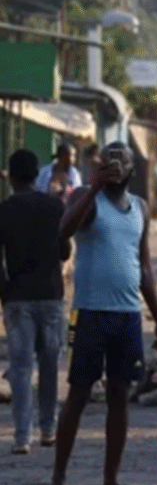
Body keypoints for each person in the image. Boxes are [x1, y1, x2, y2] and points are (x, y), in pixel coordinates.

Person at [48, 141, 157, 485]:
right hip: (90, 313)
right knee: (80, 394)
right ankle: (58, 482)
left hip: (127, 316)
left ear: (132, 169)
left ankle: (110, 483)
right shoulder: (87, 196)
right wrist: (95, 185)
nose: (116, 165)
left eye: (122, 161)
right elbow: (64, 230)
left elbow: (144, 267)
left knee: (120, 395)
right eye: (109, 160)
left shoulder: (140, 209)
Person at [0, 149, 72, 455]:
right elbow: (65, 252)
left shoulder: (3, 210)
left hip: (17, 297)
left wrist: (3, 290)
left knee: (20, 367)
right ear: (35, 175)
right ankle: (49, 429)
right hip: (50, 296)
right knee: (49, 363)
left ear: (12, 177)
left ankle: (21, 437)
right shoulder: (54, 207)